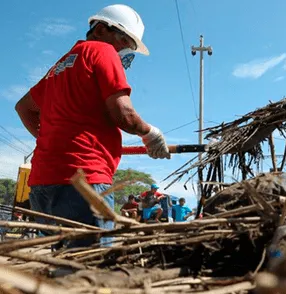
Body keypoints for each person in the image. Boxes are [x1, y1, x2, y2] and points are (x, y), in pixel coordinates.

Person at [14, 4, 171, 248]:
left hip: (43, 185)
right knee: (94, 273)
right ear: (100, 30)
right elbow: (124, 113)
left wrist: (53, 140)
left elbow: (24, 108)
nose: (126, 52)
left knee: (67, 269)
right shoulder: (102, 51)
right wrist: (151, 134)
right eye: (124, 41)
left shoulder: (62, 65)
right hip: (83, 181)